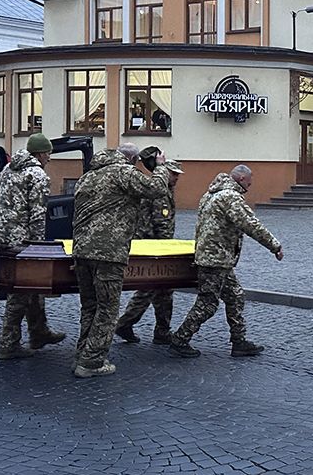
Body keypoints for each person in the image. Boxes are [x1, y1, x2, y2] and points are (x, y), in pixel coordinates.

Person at [71, 143, 170, 377]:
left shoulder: (87, 177)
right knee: (107, 309)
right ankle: (92, 362)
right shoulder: (122, 172)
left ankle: (82, 355)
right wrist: (161, 167)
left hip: (82, 250)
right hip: (108, 253)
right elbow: (156, 189)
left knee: (90, 307)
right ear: (133, 159)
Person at [169, 165, 282, 358]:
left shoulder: (210, 194)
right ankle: (180, 338)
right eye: (249, 180)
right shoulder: (230, 197)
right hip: (215, 259)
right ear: (241, 179)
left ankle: (239, 342)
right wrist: (274, 245)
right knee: (208, 303)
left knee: (235, 296)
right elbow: (250, 224)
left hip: (215, 257)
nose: (251, 183)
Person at [0, 133, 66, 360]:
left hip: (4, 239)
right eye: (48, 153)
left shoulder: (8, 170)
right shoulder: (37, 175)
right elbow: (39, 215)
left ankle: (39, 332)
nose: (50, 157)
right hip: (23, 243)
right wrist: (37, 248)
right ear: (40, 154)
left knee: (33, 287)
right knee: (19, 293)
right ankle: (8, 344)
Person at [115, 153, 183, 345]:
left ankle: (162, 330)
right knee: (149, 289)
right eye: (174, 174)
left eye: (178, 174)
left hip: (155, 246)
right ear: (165, 173)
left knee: (164, 290)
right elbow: (161, 224)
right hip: (153, 247)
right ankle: (124, 323)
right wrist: (166, 251)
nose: (177, 178)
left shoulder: (165, 189)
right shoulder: (160, 192)